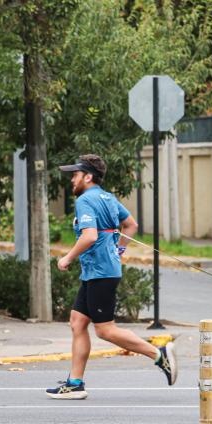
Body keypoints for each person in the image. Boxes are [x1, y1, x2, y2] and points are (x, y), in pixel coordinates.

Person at [45, 154, 178, 400]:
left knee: (105, 330)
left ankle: (159, 355)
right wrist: (119, 250)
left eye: (74, 175)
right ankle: (75, 384)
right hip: (98, 271)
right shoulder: (107, 197)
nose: (71, 180)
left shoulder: (85, 200)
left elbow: (89, 236)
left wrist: (67, 258)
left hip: (100, 272)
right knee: (77, 322)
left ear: (88, 176)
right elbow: (131, 225)